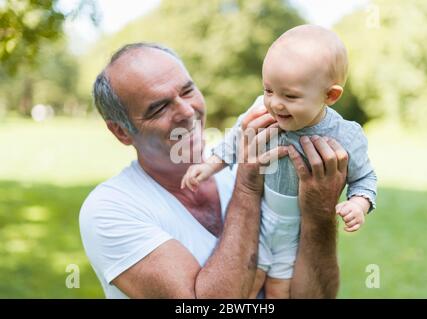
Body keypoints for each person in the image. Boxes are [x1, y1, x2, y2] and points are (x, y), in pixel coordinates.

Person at [79, 41, 349, 299]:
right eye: (159, 108)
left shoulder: (255, 163)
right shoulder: (109, 210)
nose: (187, 111)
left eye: (187, 91)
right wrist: (247, 185)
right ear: (121, 131)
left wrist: (320, 212)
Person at [181, 25, 377, 298]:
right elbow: (236, 139)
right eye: (268, 90)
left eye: (290, 96)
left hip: (297, 228)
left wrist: (358, 203)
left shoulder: (345, 135)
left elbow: (365, 177)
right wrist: (210, 164)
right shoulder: (262, 110)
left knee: (278, 290)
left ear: (330, 96)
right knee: (248, 283)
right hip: (259, 216)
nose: (275, 104)